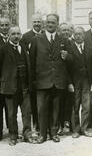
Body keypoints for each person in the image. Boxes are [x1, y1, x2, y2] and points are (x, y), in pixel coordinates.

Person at [30, 13, 74, 143]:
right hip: (42, 81)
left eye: (53, 22)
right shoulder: (37, 39)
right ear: (45, 23)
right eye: (48, 22)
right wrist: (33, 81)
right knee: (42, 109)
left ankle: (54, 133)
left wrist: (67, 56)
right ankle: (42, 134)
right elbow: (31, 62)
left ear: (57, 24)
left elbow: (72, 59)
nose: (50, 25)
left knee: (56, 109)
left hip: (58, 81)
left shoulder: (63, 40)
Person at [0, 26, 34, 146]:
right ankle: (13, 136)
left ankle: (27, 134)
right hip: (10, 87)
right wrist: (3, 81)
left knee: (27, 112)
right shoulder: (3, 49)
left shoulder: (24, 47)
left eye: (18, 34)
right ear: (9, 35)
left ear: (21, 35)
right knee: (11, 113)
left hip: (24, 86)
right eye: (14, 34)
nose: (16, 36)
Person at [69, 26, 92, 139]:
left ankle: (84, 129)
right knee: (75, 105)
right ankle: (75, 129)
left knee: (86, 105)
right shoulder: (69, 48)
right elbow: (66, 68)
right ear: (73, 35)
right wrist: (69, 83)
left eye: (80, 34)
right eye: (76, 34)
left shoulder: (90, 48)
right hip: (75, 81)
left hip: (87, 80)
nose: (78, 36)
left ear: (84, 35)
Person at [19, 13, 43, 131]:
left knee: (43, 102)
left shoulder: (45, 35)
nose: (37, 24)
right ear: (31, 23)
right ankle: (36, 125)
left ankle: (43, 124)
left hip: (44, 74)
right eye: (35, 22)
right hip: (32, 73)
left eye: (39, 21)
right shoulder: (25, 37)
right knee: (33, 101)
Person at [58, 23, 75, 136]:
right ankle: (60, 124)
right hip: (62, 78)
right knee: (60, 102)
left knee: (71, 102)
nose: (65, 32)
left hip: (74, 78)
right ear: (59, 31)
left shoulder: (73, 42)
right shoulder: (59, 43)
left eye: (68, 30)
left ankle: (69, 124)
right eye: (63, 30)